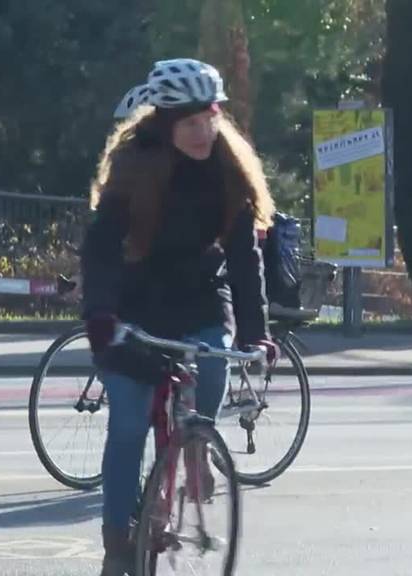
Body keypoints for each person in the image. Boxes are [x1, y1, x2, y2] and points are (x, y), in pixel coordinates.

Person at [81, 58, 277, 576]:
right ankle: (118, 538)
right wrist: (100, 316)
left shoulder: (227, 171)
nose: (203, 131)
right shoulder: (135, 163)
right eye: (190, 123)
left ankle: (195, 444)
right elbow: (100, 248)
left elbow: (243, 258)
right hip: (136, 302)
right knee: (128, 424)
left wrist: (257, 333)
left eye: (210, 118)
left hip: (198, 298)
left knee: (215, 360)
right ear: (167, 124)